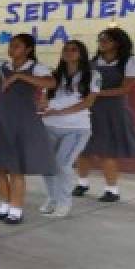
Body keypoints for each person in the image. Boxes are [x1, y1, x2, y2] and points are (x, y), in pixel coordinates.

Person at [0, 33, 56, 224]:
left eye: (17, 45)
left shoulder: (36, 68)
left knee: (16, 168)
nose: (12, 48)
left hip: (22, 122)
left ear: (28, 49)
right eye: (11, 45)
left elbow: (50, 82)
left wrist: (18, 76)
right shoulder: (2, 66)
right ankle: (5, 204)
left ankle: (16, 210)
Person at [75, 27, 135, 202]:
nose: (101, 43)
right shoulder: (92, 62)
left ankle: (112, 190)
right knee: (82, 148)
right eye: (100, 40)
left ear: (117, 42)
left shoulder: (130, 61)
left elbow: (125, 89)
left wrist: (96, 93)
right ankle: (82, 183)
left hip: (114, 110)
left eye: (106, 40)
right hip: (90, 110)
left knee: (108, 151)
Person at [39, 39, 100, 217]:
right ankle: (52, 198)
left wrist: (59, 112)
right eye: (66, 49)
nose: (69, 52)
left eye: (74, 50)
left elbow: (88, 102)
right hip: (49, 126)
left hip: (76, 128)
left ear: (81, 53)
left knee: (62, 164)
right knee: (46, 165)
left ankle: (64, 203)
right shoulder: (54, 75)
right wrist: (43, 105)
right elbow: (44, 99)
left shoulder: (93, 75)